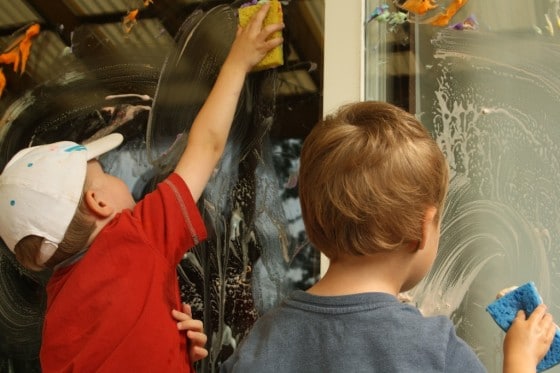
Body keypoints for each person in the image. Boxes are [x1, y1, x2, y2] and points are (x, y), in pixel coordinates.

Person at [0, 4, 283, 372]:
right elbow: (207, 146)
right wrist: (237, 62)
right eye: (105, 172)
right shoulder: (135, 238)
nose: (120, 179)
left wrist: (165, 341)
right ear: (97, 201)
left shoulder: (57, 319)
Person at [176, 101, 556, 372]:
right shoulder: (433, 349)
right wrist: (520, 362)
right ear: (423, 228)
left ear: (311, 222)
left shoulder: (264, 338)